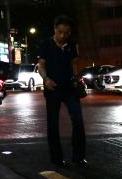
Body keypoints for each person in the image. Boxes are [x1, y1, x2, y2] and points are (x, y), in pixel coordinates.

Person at [37, 15, 87, 167]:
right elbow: (41, 65)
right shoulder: (45, 44)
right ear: (55, 30)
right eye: (60, 32)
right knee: (53, 123)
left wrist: (76, 79)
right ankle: (57, 158)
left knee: (78, 120)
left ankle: (78, 156)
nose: (63, 36)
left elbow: (74, 65)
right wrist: (46, 80)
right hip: (53, 88)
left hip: (70, 88)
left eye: (66, 33)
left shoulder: (72, 45)